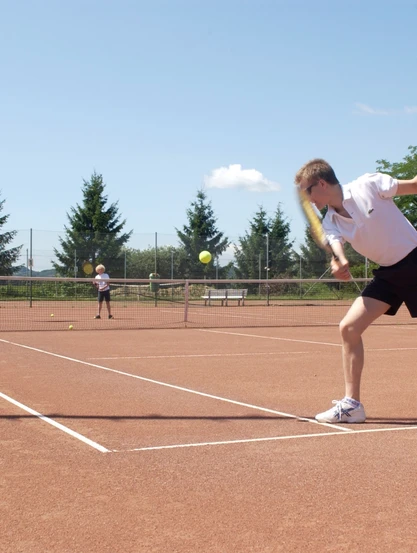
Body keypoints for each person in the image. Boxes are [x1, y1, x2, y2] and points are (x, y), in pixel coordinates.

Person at [295, 158, 417, 423]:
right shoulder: (329, 220)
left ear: (322, 183)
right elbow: (336, 247)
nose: (307, 200)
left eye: (307, 192)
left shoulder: (368, 184)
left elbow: (414, 185)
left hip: (415, 259)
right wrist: (338, 261)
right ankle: (352, 405)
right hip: (389, 272)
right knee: (349, 328)